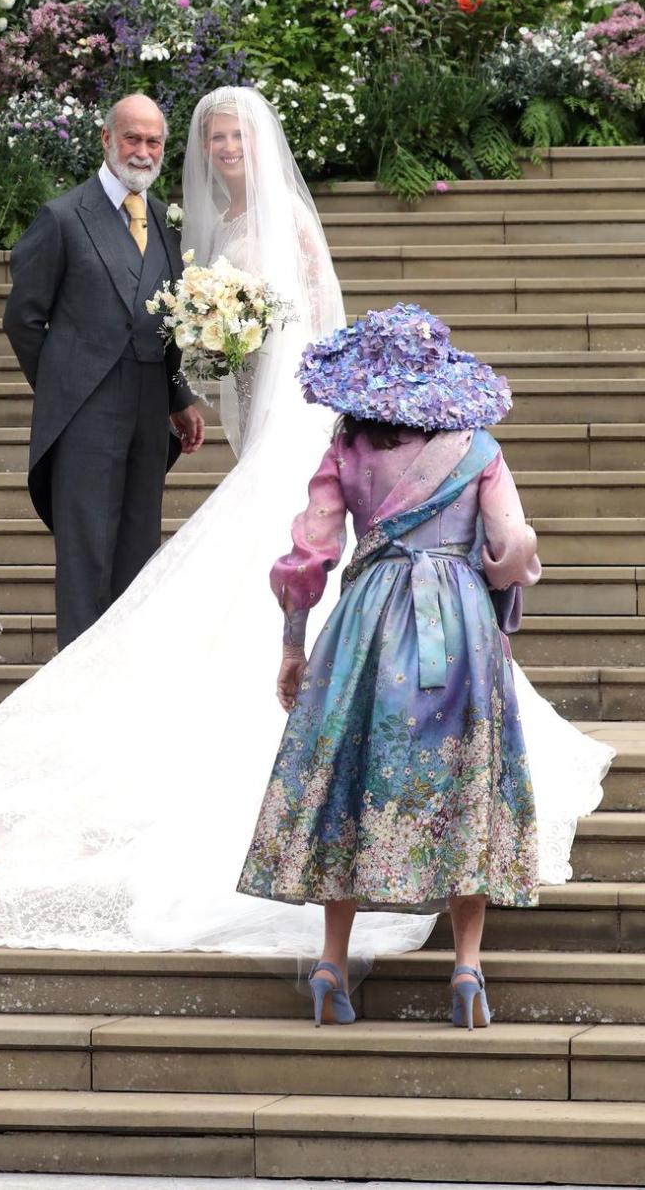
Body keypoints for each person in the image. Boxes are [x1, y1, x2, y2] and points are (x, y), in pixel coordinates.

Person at [0, 87, 611, 969]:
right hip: (232, 402)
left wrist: (285, 377)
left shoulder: (281, 214)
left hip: (294, 401)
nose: (220, 150)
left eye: (230, 137)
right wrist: (213, 357)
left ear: (256, 142)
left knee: (270, 527)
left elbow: (316, 313)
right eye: (208, 138)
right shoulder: (185, 228)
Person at [238, 304, 543, 1029]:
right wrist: (497, 591)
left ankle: (331, 960)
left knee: (349, 770)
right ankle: (466, 966)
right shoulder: (479, 449)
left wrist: (292, 640)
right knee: (468, 776)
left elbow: (310, 550)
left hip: (369, 618)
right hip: (459, 625)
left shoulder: (348, 445)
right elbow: (514, 542)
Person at [4, 92, 205, 649]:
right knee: (86, 555)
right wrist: (64, 390)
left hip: (147, 410)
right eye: (133, 138)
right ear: (106, 139)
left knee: (139, 553)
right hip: (84, 412)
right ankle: (74, 691)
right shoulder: (63, 217)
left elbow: (163, 319)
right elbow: (23, 319)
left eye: (154, 141)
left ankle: (122, 680)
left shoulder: (167, 220)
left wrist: (177, 395)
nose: (143, 151)